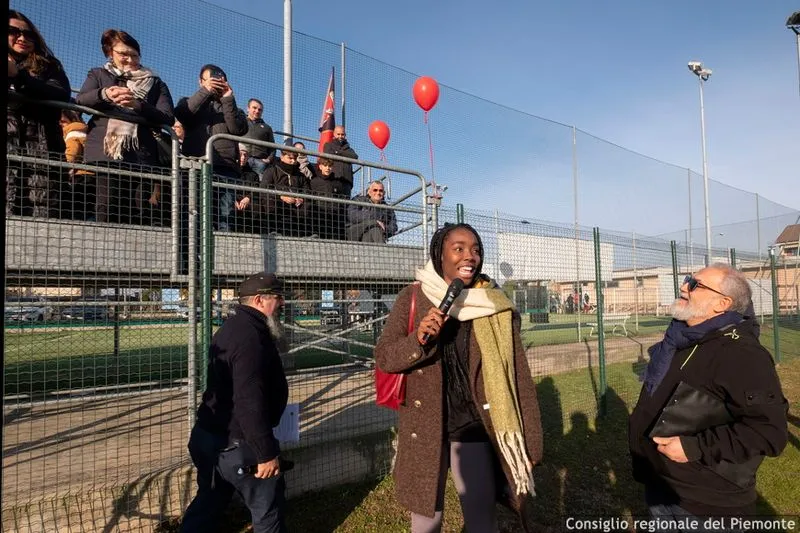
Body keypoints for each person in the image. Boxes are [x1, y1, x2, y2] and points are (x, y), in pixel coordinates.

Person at [375, 223, 543, 532]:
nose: (470, 256)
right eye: (459, 248)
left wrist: (531, 441)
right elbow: (385, 357)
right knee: (427, 521)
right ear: (440, 254)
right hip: (425, 427)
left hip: (474, 427)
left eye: (476, 249)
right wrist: (419, 340)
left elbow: (519, 376)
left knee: (481, 521)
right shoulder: (413, 297)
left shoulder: (495, 304)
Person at [629, 264, 788, 525]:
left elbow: (769, 432)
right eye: (687, 280)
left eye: (695, 284)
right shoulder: (679, 341)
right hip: (662, 485)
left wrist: (694, 447)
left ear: (722, 303)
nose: (683, 286)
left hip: (709, 505)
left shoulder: (742, 355)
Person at [181, 272, 289, 533]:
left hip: (209, 438)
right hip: (239, 445)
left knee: (209, 501)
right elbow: (248, 400)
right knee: (267, 511)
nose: (282, 304)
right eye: (278, 297)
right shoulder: (250, 337)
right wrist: (265, 453)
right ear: (260, 300)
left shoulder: (231, 328)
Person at [75, 29, 174, 225]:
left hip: (142, 155)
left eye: (134, 55)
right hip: (107, 153)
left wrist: (138, 105)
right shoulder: (98, 74)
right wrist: (105, 94)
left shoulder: (155, 82)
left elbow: (167, 116)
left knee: (138, 208)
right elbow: (81, 99)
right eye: (123, 54)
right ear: (110, 53)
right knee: (107, 204)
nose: (129, 59)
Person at [7, 10, 71, 218]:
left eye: (29, 34)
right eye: (13, 31)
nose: (23, 38)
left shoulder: (48, 65)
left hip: (42, 150)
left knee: (40, 212)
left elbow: (60, 93)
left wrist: (19, 76)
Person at [175, 64, 247, 231]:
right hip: (196, 166)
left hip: (226, 169)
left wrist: (228, 98)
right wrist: (205, 92)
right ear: (201, 81)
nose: (217, 83)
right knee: (193, 215)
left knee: (225, 218)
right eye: (211, 80)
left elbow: (238, 129)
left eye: (220, 80)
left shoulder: (234, 108)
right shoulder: (188, 101)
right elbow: (182, 114)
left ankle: (222, 255)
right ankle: (189, 256)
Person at [255, 144, 310, 237]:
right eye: (290, 158)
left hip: (296, 203)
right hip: (277, 201)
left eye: (295, 158)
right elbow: (264, 189)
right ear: (282, 157)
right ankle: (273, 230)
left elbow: (307, 190)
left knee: (308, 205)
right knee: (269, 200)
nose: (293, 161)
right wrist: (281, 196)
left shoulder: (300, 175)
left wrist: (301, 198)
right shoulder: (272, 171)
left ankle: (305, 234)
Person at [59, 109, 92, 219]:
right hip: (90, 174)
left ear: (71, 120)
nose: (60, 124)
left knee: (76, 208)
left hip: (80, 176)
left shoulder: (72, 132)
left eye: (63, 121)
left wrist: (66, 167)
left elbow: (72, 154)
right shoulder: (84, 131)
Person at [309, 157, 348, 240]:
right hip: (319, 216)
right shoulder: (314, 181)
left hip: (335, 217)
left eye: (330, 166)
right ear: (320, 166)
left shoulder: (337, 183)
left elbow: (341, 200)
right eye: (325, 165)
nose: (327, 168)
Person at [238, 98, 275, 175]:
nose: (257, 111)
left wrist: (268, 160)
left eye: (260, 109)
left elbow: (272, 147)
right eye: (254, 108)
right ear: (248, 109)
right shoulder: (240, 122)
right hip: (242, 159)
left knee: (260, 185)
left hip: (260, 162)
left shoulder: (267, 128)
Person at [322, 125, 357, 197]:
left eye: (342, 134)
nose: (340, 136)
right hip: (333, 179)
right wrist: (345, 154)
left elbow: (355, 156)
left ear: (345, 135)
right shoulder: (328, 145)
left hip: (347, 181)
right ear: (334, 134)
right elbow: (328, 155)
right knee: (334, 204)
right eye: (338, 134)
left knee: (345, 206)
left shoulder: (349, 148)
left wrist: (338, 152)